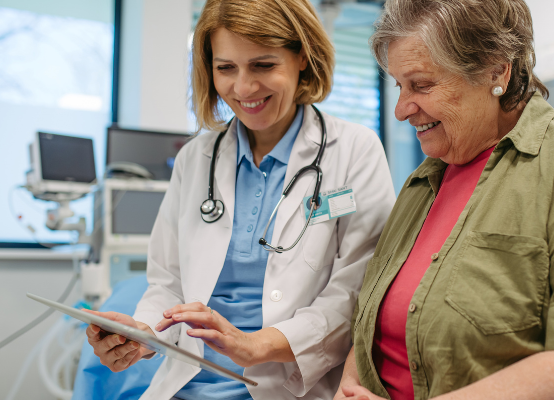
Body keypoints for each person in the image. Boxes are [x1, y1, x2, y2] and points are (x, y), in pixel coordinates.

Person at [335, 1, 554, 399]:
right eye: (399, 86)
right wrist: (351, 379)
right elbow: (377, 324)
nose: (400, 110)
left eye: (422, 85)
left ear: (495, 71)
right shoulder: (422, 183)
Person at [84, 0, 395, 399]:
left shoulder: (353, 150)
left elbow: (356, 292)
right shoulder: (195, 158)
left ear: (302, 56)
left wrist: (256, 346)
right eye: (226, 68)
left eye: (263, 66)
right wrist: (143, 336)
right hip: (186, 386)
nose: (244, 88)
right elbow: (168, 284)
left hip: (290, 386)